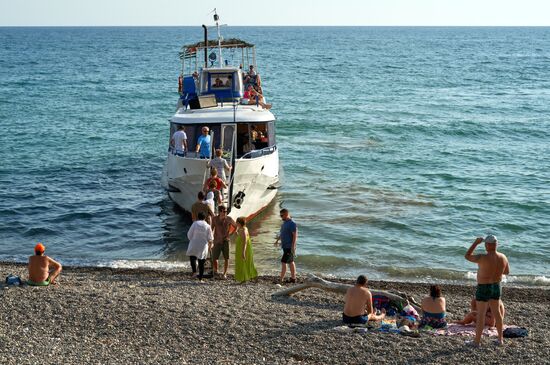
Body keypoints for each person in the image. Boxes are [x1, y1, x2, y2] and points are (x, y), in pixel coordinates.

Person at [465, 235, 509, 346]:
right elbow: (507, 272)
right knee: (497, 313)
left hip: (484, 286)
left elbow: (467, 256)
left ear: (487, 245)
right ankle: (500, 340)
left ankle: (477, 342)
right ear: (496, 244)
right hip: (496, 286)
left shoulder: (482, 257)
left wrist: (475, 243)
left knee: (481, 314)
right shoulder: (503, 257)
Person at [211, 205, 237, 279]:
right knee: (215, 258)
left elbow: (235, 226)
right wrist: (211, 239)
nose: (225, 212)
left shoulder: (229, 219)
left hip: (226, 241)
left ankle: (225, 273)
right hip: (217, 240)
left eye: (226, 211)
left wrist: (231, 234)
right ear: (220, 211)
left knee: (226, 258)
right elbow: (211, 229)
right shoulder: (215, 219)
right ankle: (216, 270)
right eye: (224, 211)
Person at [186, 212, 214, 281]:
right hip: (203, 246)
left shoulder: (194, 224)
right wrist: (210, 245)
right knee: (201, 262)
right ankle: (200, 279)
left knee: (192, 257)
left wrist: (192, 239)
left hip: (194, 244)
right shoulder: (207, 226)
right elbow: (210, 238)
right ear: (205, 218)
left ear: (198, 217)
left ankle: (194, 272)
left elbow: (189, 234)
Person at [274, 209, 297, 283]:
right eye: (280, 215)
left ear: (286, 214)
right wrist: (277, 241)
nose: (281, 217)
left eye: (282, 215)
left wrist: (293, 246)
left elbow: (295, 235)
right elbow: (282, 233)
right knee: (291, 262)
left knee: (283, 262)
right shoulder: (284, 223)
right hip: (285, 246)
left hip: (289, 246)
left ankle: (281, 279)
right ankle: (293, 278)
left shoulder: (292, 223)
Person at [234, 217, 257, 283]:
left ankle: (245, 278)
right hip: (241, 248)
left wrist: (243, 252)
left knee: (243, 263)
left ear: (239, 223)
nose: (236, 223)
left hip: (243, 249)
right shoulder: (242, 229)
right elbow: (241, 239)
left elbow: (245, 242)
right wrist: (237, 234)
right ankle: (244, 278)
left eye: (237, 222)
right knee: (243, 263)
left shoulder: (243, 230)